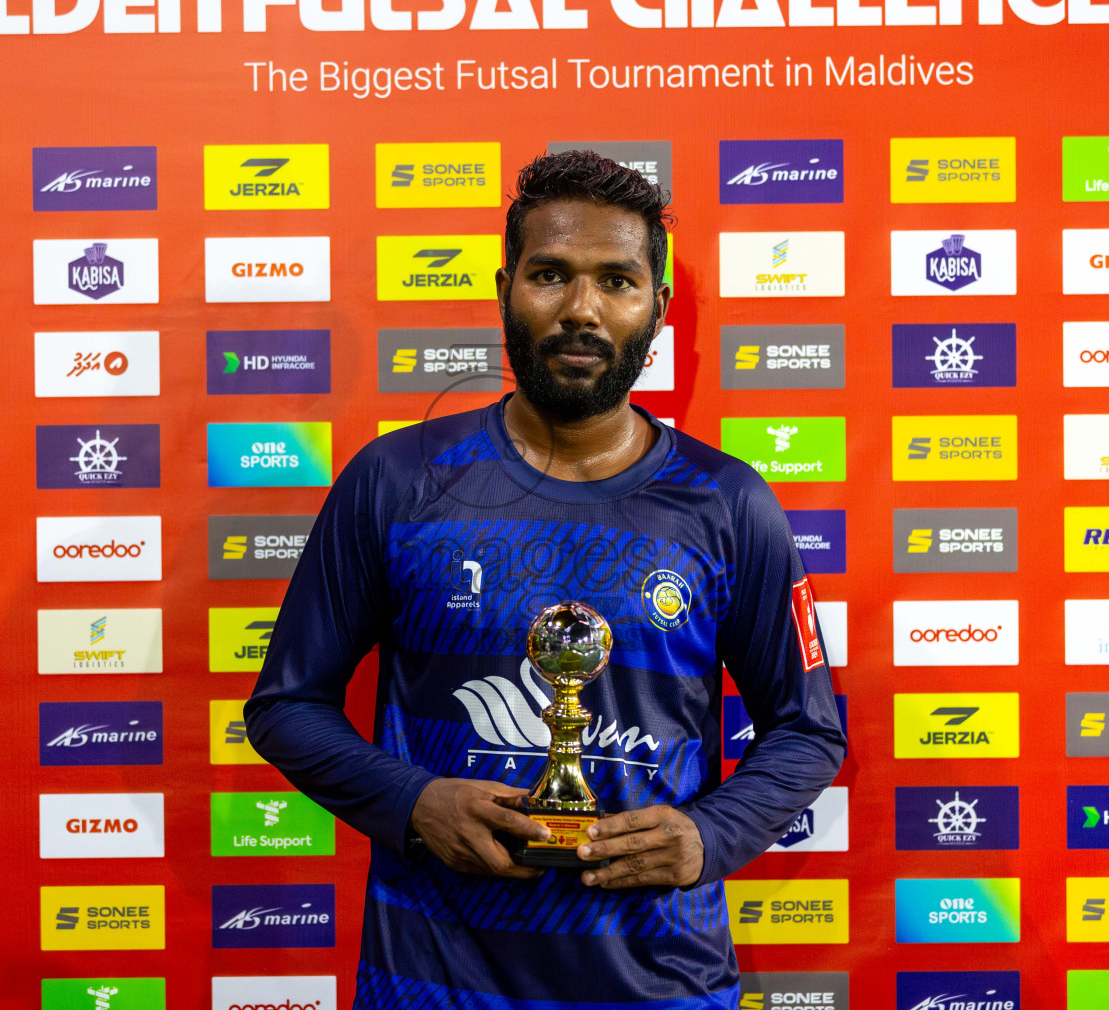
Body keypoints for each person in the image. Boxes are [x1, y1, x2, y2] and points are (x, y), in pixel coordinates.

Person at [242, 150, 847, 1010]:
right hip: (433, 984)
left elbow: (807, 731)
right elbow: (286, 707)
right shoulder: (397, 480)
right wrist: (413, 802)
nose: (581, 310)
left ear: (657, 307)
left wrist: (707, 836)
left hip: (659, 984)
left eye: (617, 281)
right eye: (550, 275)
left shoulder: (728, 502)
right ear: (504, 291)